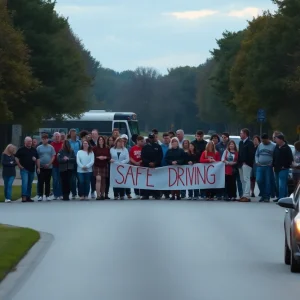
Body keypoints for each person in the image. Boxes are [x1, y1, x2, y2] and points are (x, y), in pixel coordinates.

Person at [15, 137, 40, 202]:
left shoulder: (34, 150)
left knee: (29, 184)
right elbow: (16, 158)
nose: (29, 143)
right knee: (25, 183)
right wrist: (19, 166)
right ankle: (24, 196)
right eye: (28, 141)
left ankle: (28, 197)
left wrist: (38, 167)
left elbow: (37, 159)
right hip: (24, 169)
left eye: (30, 141)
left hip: (32, 169)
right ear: (25, 142)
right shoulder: (21, 149)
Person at [141, 133, 163, 200]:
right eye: (150, 137)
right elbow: (143, 156)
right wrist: (148, 163)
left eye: (152, 137)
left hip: (156, 167)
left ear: (154, 138)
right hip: (147, 166)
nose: (151, 139)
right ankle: (145, 194)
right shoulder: (145, 147)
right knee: (146, 181)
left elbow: (160, 156)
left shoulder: (158, 146)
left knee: (155, 181)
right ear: (148, 138)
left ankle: (156, 194)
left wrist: (155, 163)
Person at [255, 133, 276, 202]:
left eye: (264, 141)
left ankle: (267, 196)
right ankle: (263, 194)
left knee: (268, 182)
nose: (263, 142)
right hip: (260, 166)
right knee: (259, 180)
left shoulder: (273, 146)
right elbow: (257, 154)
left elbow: (275, 156)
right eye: (262, 141)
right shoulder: (260, 145)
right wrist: (257, 161)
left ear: (268, 139)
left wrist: (272, 163)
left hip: (268, 166)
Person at [273, 134, 294, 202]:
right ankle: (283, 196)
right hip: (276, 167)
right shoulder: (276, 147)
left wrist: (285, 165)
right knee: (278, 184)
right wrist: (273, 165)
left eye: (277, 139)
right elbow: (274, 156)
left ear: (281, 140)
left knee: (282, 184)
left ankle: (281, 198)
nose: (276, 140)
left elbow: (290, 159)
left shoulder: (287, 148)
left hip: (284, 168)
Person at [36, 134, 56, 201]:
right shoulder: (38, 148)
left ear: (48, 139)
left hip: (49, 167)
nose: (45, 140)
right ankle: (40, 195)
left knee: (47, 182)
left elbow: (53, 156)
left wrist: (49, 164)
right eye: (43, 139)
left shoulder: (51, 147)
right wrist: (38, 167)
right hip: (41, 167)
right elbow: (37, 157)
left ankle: (47, 195)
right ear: (42, 139)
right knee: (40, 181)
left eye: (46, 139)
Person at [237, 128, 255, 202]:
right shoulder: (241, 143)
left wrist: (246, 161)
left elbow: (251, 154)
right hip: (240, 164)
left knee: (246, 178)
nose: (240, 134)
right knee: (242, 180)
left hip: (247, 164)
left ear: (245, 134)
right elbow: (240, 153)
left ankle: (247, 195)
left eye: (241, 133)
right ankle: (243, 194)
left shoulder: (250, 143)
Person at [93, 136, 111, 200]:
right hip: (97, 165)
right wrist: (98, 157)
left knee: (103, 181)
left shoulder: (107, 148)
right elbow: (92, 157)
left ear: (104, 141)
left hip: (104, 165)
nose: (101, 141)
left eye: (102, 140)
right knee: (98, 179)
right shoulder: (94, 148)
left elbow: (109, 157)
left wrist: (105, 158)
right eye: (100, 140)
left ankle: (102, 194)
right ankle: (98, 195)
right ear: (98, 141)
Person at [68, 128, 81, 199]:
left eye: (74, 132)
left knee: (79, 178)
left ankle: (80, 193)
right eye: (72, 133)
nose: (73, 134)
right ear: (70, 134)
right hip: (71, 162)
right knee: (72, 179)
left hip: (78, 162)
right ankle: (73, 193)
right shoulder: (68, 142)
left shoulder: (79, 142)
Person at [50, 132, 63, 200]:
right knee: (55, 180)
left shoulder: (63, 144)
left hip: (61, 165)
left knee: (61, 180)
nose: (57, 137)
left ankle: (61, 194)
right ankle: (55, 194)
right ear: (53, 137)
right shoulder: (51, 145)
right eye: (56, 136)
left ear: (60, 137)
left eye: (58, 136)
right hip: (54, 165)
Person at [161, 133, 171, 199]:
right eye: (164, 138)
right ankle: (163, 193)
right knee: (162, 180)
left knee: (169, 180)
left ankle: (169, 193)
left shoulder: (171, 146)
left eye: (167, 138)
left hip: (170, 166)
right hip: (162, 165)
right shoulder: (160, 146)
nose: (166, 139)